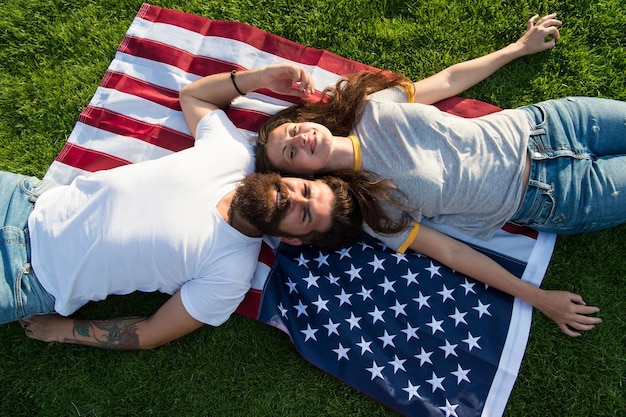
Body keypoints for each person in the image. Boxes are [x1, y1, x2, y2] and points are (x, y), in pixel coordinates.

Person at [254, 14, 622, 337]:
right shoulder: (374, 207)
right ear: (301, 174)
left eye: (291, 131)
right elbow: (452, 252)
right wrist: (537, 297)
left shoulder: (372, 106)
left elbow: (448, 80)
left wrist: (517, 48)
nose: (300, 139)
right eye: (291, 153)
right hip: (558, 196)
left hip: (550, 125)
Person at [3, 63, 395, 350]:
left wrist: (62, 331)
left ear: (293, 239)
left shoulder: (230, 274)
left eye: (304, 214)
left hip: (26, 280)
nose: (293, 197)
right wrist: (259, 79)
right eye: (305, 190)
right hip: (24, 200)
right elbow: (194, 95)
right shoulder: (231, 154)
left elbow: (150, 333)